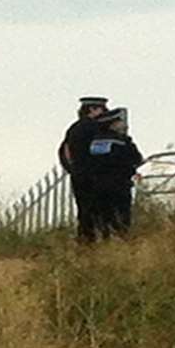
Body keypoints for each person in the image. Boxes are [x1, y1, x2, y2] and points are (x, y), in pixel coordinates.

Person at [74, 108, 144, 241]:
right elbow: (136, 159)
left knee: (103, 216)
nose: (123, 125)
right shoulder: (122, 141)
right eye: (119, 122)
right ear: (113, 124)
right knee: (121, 216)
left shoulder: (94, 142)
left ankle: (105, 240)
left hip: (98, 185)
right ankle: (120, 240)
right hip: (119, 184)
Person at [59, 96, 110, 240]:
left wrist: (72, 169)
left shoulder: (74, 129)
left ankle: (85, 240)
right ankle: (96, 240)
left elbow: (64, 151)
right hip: (96, 175)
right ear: (92, 109)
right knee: (99, 209)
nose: (104, 112)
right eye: (101, 109)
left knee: (84, 209)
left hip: (78, 174)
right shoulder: (97, 128)